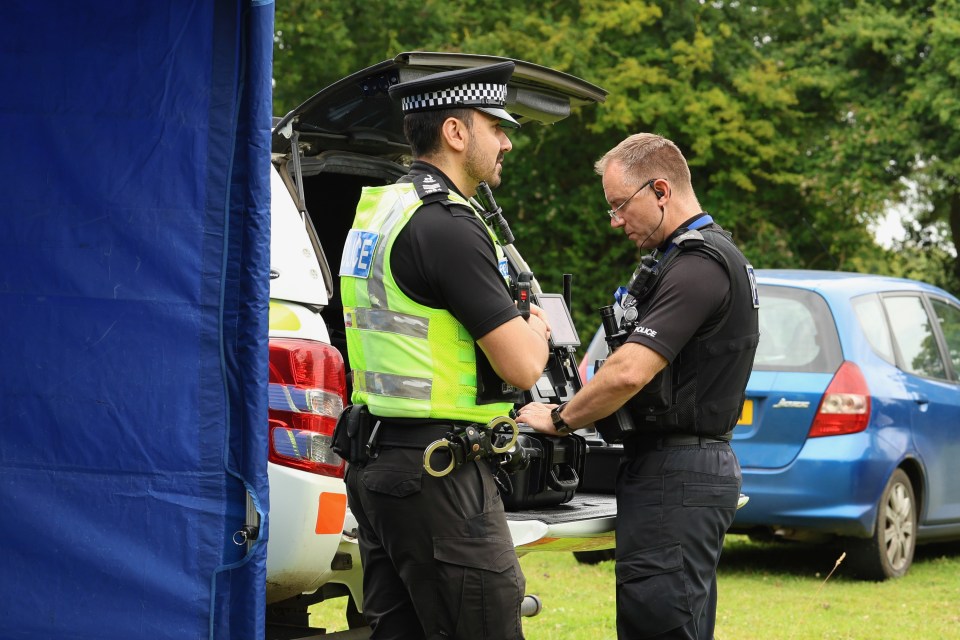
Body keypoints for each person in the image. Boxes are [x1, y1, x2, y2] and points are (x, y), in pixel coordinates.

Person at [337, 61, 552, 640]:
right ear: (456, 132)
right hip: (439, 476)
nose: (507, 141)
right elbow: (524, 364)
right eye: (496, 126)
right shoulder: (449, 226)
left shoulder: (382, 212)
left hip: (381, 465)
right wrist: (537, 329)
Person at [518, 133, 760, 640]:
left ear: (660, 189)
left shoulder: (699, 265)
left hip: (678, 475)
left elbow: (630, 370)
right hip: (680, 469)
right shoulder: (702, 257)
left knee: (659, 626)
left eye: (620, 205)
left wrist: (560, 419)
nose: (615, 221)